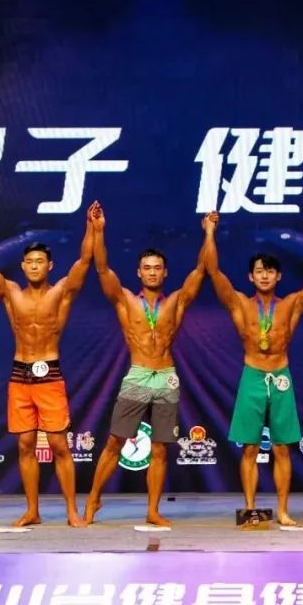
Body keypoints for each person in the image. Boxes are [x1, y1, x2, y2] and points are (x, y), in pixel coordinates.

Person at [0, 206, 95, 528]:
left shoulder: (61, 292)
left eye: (40, 261)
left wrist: (93, 228)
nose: (35, 265)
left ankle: (71, 511)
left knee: (58, 445)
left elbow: (84, 261)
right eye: (30, 261)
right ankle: (32, 511)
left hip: (49, 373)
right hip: (19, 375)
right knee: (25, 444)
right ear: (23, 265)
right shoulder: (11, 293)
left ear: (49, 266)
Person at [205, 212, 303, 526]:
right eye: (259, 271)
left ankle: (284, 511)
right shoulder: (240, 304)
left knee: (281, 449)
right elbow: (213, 271)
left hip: (280, 377)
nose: (264, 276)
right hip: (252, 375)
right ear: (250, 277)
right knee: (249, 448)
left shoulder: (291, 304)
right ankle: (250, 509)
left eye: (270, 271)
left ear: (278, 277)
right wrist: (209, 232)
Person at [83, 203, 207, 526]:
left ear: (165, 273)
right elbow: (101, 269)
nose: (152, 272)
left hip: (166, 376)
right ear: (139, 272)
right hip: (138, 374)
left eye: (157, 268)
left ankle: (153, 510)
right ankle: (94, 498)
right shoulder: (125, 300)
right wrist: (98, 230)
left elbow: (201, 270)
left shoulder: (176, 301)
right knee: (115, 441)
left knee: (161, 448)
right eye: (147, 268)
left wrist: (209, 233)